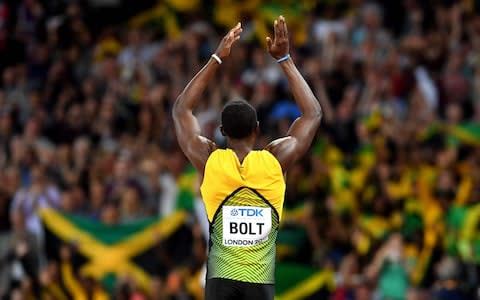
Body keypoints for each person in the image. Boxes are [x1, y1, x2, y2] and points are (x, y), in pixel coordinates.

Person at [173, 16, 322, 300]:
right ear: (257, 130)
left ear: (221, 132)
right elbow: (313, 113)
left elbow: (182, 110)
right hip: (260, 285)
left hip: (219, 283)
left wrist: (217, 57)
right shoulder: (275, 161)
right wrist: (285, 59)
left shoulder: (210, 160)